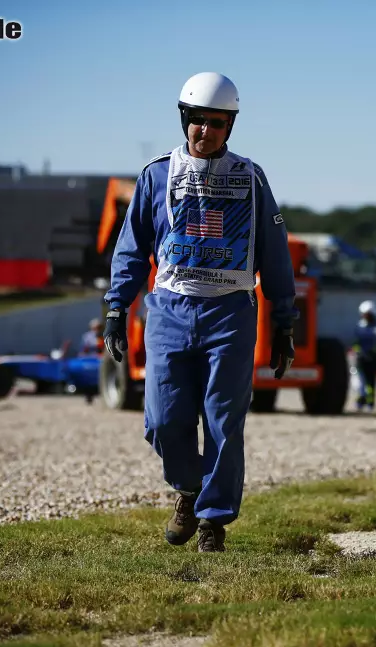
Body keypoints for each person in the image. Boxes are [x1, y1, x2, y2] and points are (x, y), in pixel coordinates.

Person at [102, 72, 297, 553]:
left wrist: (283, 321)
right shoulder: (155, 175)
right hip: (169, 310)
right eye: (197, 121)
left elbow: (273, 251)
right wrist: (115, 308)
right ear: (183, 119)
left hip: (230, 312)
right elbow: (131, 249)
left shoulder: (251, 178)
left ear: (230, 126)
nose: (205, 131)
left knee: (223, 421)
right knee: (163, 420)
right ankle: (188, 490)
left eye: (217, 123)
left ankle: (213, 520)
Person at [351, 300, 376, 410]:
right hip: (360, 358)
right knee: (360, 380)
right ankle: (361, 399)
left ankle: (370, 402)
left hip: (372, 358)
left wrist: (372, 352)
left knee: (371, 381)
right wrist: (357, 352)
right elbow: (355, 342)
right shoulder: (359, 327)